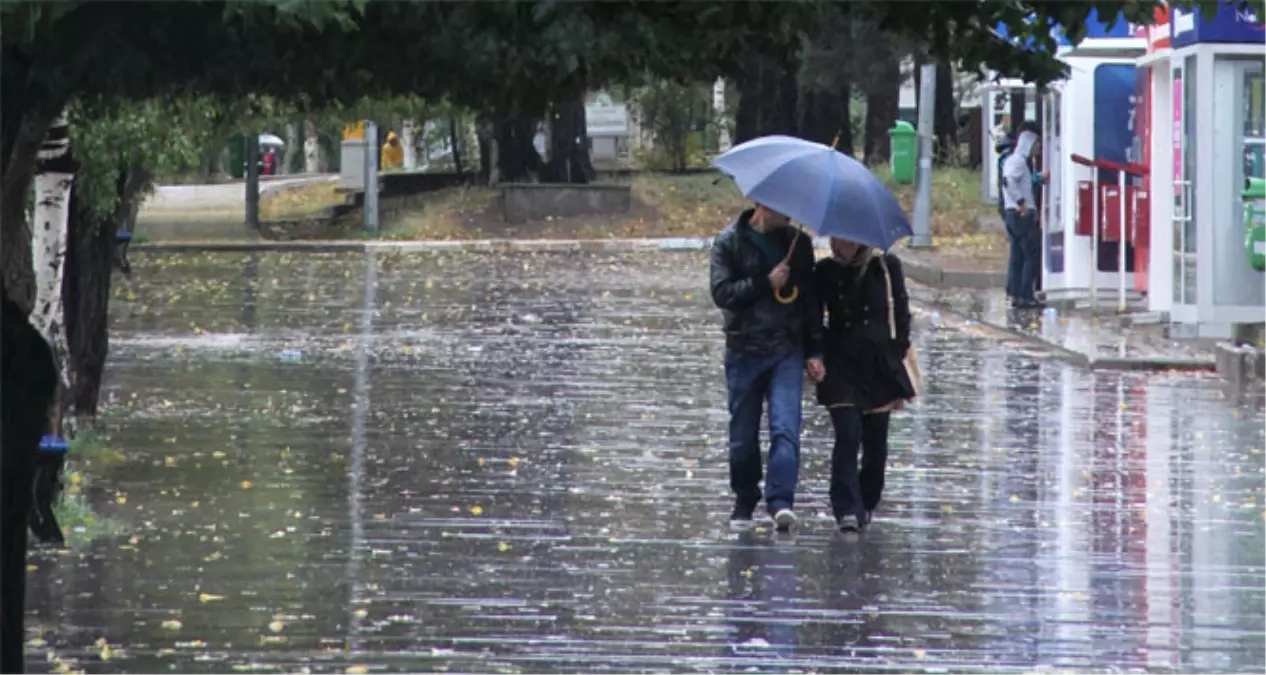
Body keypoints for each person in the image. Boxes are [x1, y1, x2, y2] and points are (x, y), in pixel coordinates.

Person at [710, 204, 824, 532]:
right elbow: (722, 293)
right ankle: (745, 499)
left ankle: (781, 501)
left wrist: (815, 349)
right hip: (744, 351)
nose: (789, 212)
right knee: (743, 437)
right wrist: (765, 282)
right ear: (762, 205)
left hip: (786, 349)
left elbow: (809, 299)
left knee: (785, 427)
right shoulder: (728, 242)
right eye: (781, 206)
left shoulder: (797, 243)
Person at [813, 237, 914, 533]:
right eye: (834, 238)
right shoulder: (825, 272)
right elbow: (813, 318)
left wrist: (898, 350)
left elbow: (901, 310)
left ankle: (867, 501)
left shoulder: (886, 266)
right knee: (847, 434)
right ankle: (845, 507)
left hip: (879, 365)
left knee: (876, 441)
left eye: (844, 239)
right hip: (840, 364)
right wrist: (814, 353)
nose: (837, 244)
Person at [1002, 121, 1044, 309]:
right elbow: (1009, 180)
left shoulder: (1015, 161)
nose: (1039, 149)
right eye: (1037, 145)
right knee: (1031, 255)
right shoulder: (1018, 161)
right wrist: (1021, 202)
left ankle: (1016, 294)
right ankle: (1026, 295)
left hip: (1013, 214)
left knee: (1017, 255)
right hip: (1021, 215)